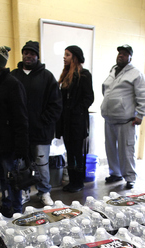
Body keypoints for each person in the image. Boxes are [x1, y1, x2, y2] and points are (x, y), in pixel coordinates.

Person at [11, 41, 62, 206]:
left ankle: (44, 191)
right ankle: (24, 191)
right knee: (22, 165)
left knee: (42, 164)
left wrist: (43, 122)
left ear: (37, 56)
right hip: (19, 132)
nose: (28, 56)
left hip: (41, 132)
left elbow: (56, 104)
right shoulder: (14, 76)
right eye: (26, 52)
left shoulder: (47, 77)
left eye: (32, 53)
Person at [0, 46, 29, 218]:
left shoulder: (12, 85)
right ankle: (6, 203)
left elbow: (21, 118)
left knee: (13, 179)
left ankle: (17, 211)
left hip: (9, 144)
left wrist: (21, 147)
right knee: (1, 177)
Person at [101, 44, 145, 189]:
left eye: (124, 54)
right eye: (119, 53)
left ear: (130, 57)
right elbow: (106, 90)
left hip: (126, 120)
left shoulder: (136, 74)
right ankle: (115, 173)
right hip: (109, 118)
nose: (120, 55)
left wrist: (140, 114)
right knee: (110, 148)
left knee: (127, 150)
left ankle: (130, 177)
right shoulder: (113, 70)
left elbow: (143, 95)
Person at [56, 45, 95, 193]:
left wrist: (76, 110)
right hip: (66, 120)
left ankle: (79, 182)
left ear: (75, 57)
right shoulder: (66, 75)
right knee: (69, 151)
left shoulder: (84, 75)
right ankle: (72, 180)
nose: (64, 57)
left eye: (67, 55)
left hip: (77, 121)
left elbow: (89, 98)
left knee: (77, 152)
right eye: (64, 54)